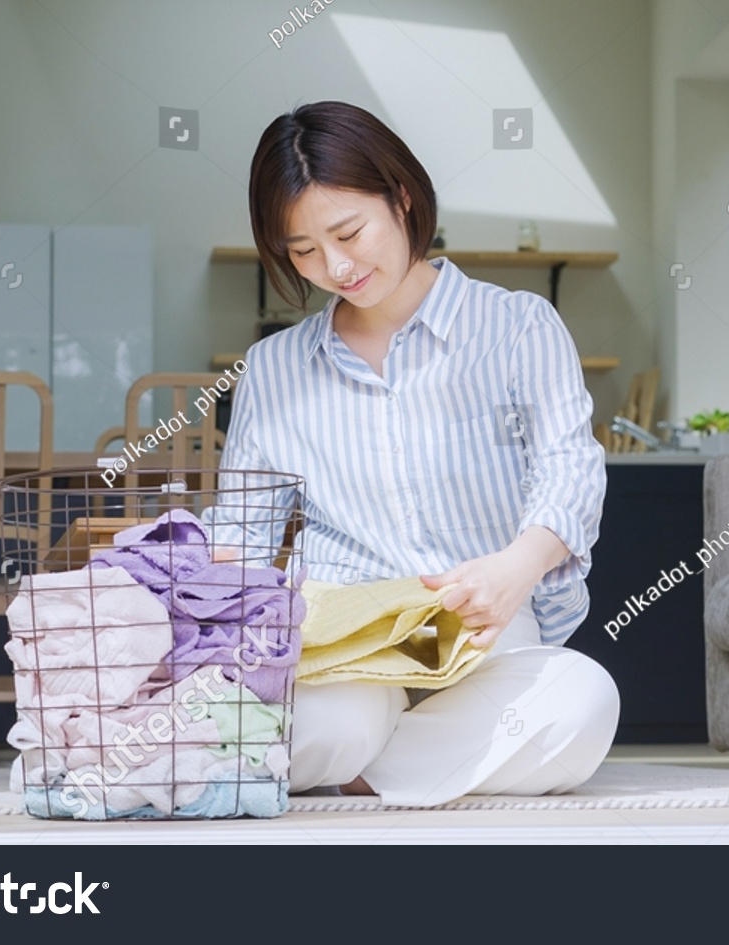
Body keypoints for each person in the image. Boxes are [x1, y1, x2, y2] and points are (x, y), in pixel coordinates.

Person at [210, 100, 619, 807]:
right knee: (331, 723)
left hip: (484, 628)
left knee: (582, 700)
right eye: (303, 251)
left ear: (400, 197)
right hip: (345, 639)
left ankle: (356, 772)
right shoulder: (273, 368)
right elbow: (243, 531)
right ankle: (396, 758)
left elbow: (570, 468)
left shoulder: (518, 326)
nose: (336, 266)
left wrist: (514, 568)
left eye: (349, 233)